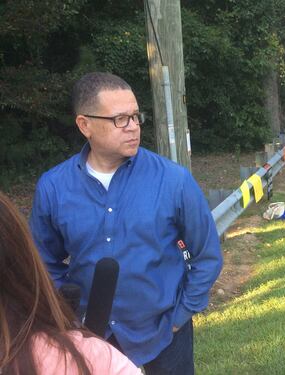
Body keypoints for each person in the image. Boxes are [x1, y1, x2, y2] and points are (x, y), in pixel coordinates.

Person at [29, 72, 223, 374]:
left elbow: (207, 255)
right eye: (120, 119)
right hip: (93, 338)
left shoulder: (173, 180)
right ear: (85, 125)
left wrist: (179, 317)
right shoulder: (53, 188)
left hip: (164, 335)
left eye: (135, 116)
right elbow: (42, 262)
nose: (133, 127)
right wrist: (69, 316)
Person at [0, 191, 142, 374]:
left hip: (154, 328)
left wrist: (182, 311)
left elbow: (189, 247)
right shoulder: (54, 187)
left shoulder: (172, 179)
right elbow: (48, 259)